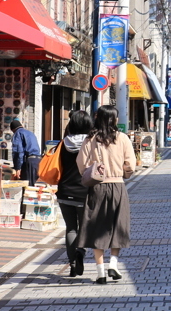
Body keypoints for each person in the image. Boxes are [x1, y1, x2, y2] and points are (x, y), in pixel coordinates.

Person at [76, 105, 136, 284]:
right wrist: (123, 172)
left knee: (97, 228)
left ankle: (100, 273)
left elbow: (81, 164)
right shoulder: (123, 138)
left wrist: (92, 171)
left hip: (97, 188)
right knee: (118, 225)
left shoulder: (90, 139)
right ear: (114, 120)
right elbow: (130, 165)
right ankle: (114, 264)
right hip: (117, 186)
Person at [57, 110, 93, 277]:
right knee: (85, 228)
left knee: (71, 228)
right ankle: (81, 251)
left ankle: (72, 263)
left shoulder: (62, 144)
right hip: (84, 192)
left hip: (65, 191)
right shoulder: (91, 143)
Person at [10, 119, 41, 184]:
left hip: (29, 161)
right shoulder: (30, 133)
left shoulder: (17, 133)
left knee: (26, 185)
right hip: (38, 160)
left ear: (13, 130)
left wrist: (18, 168)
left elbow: (18, 152)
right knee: (33, 185)